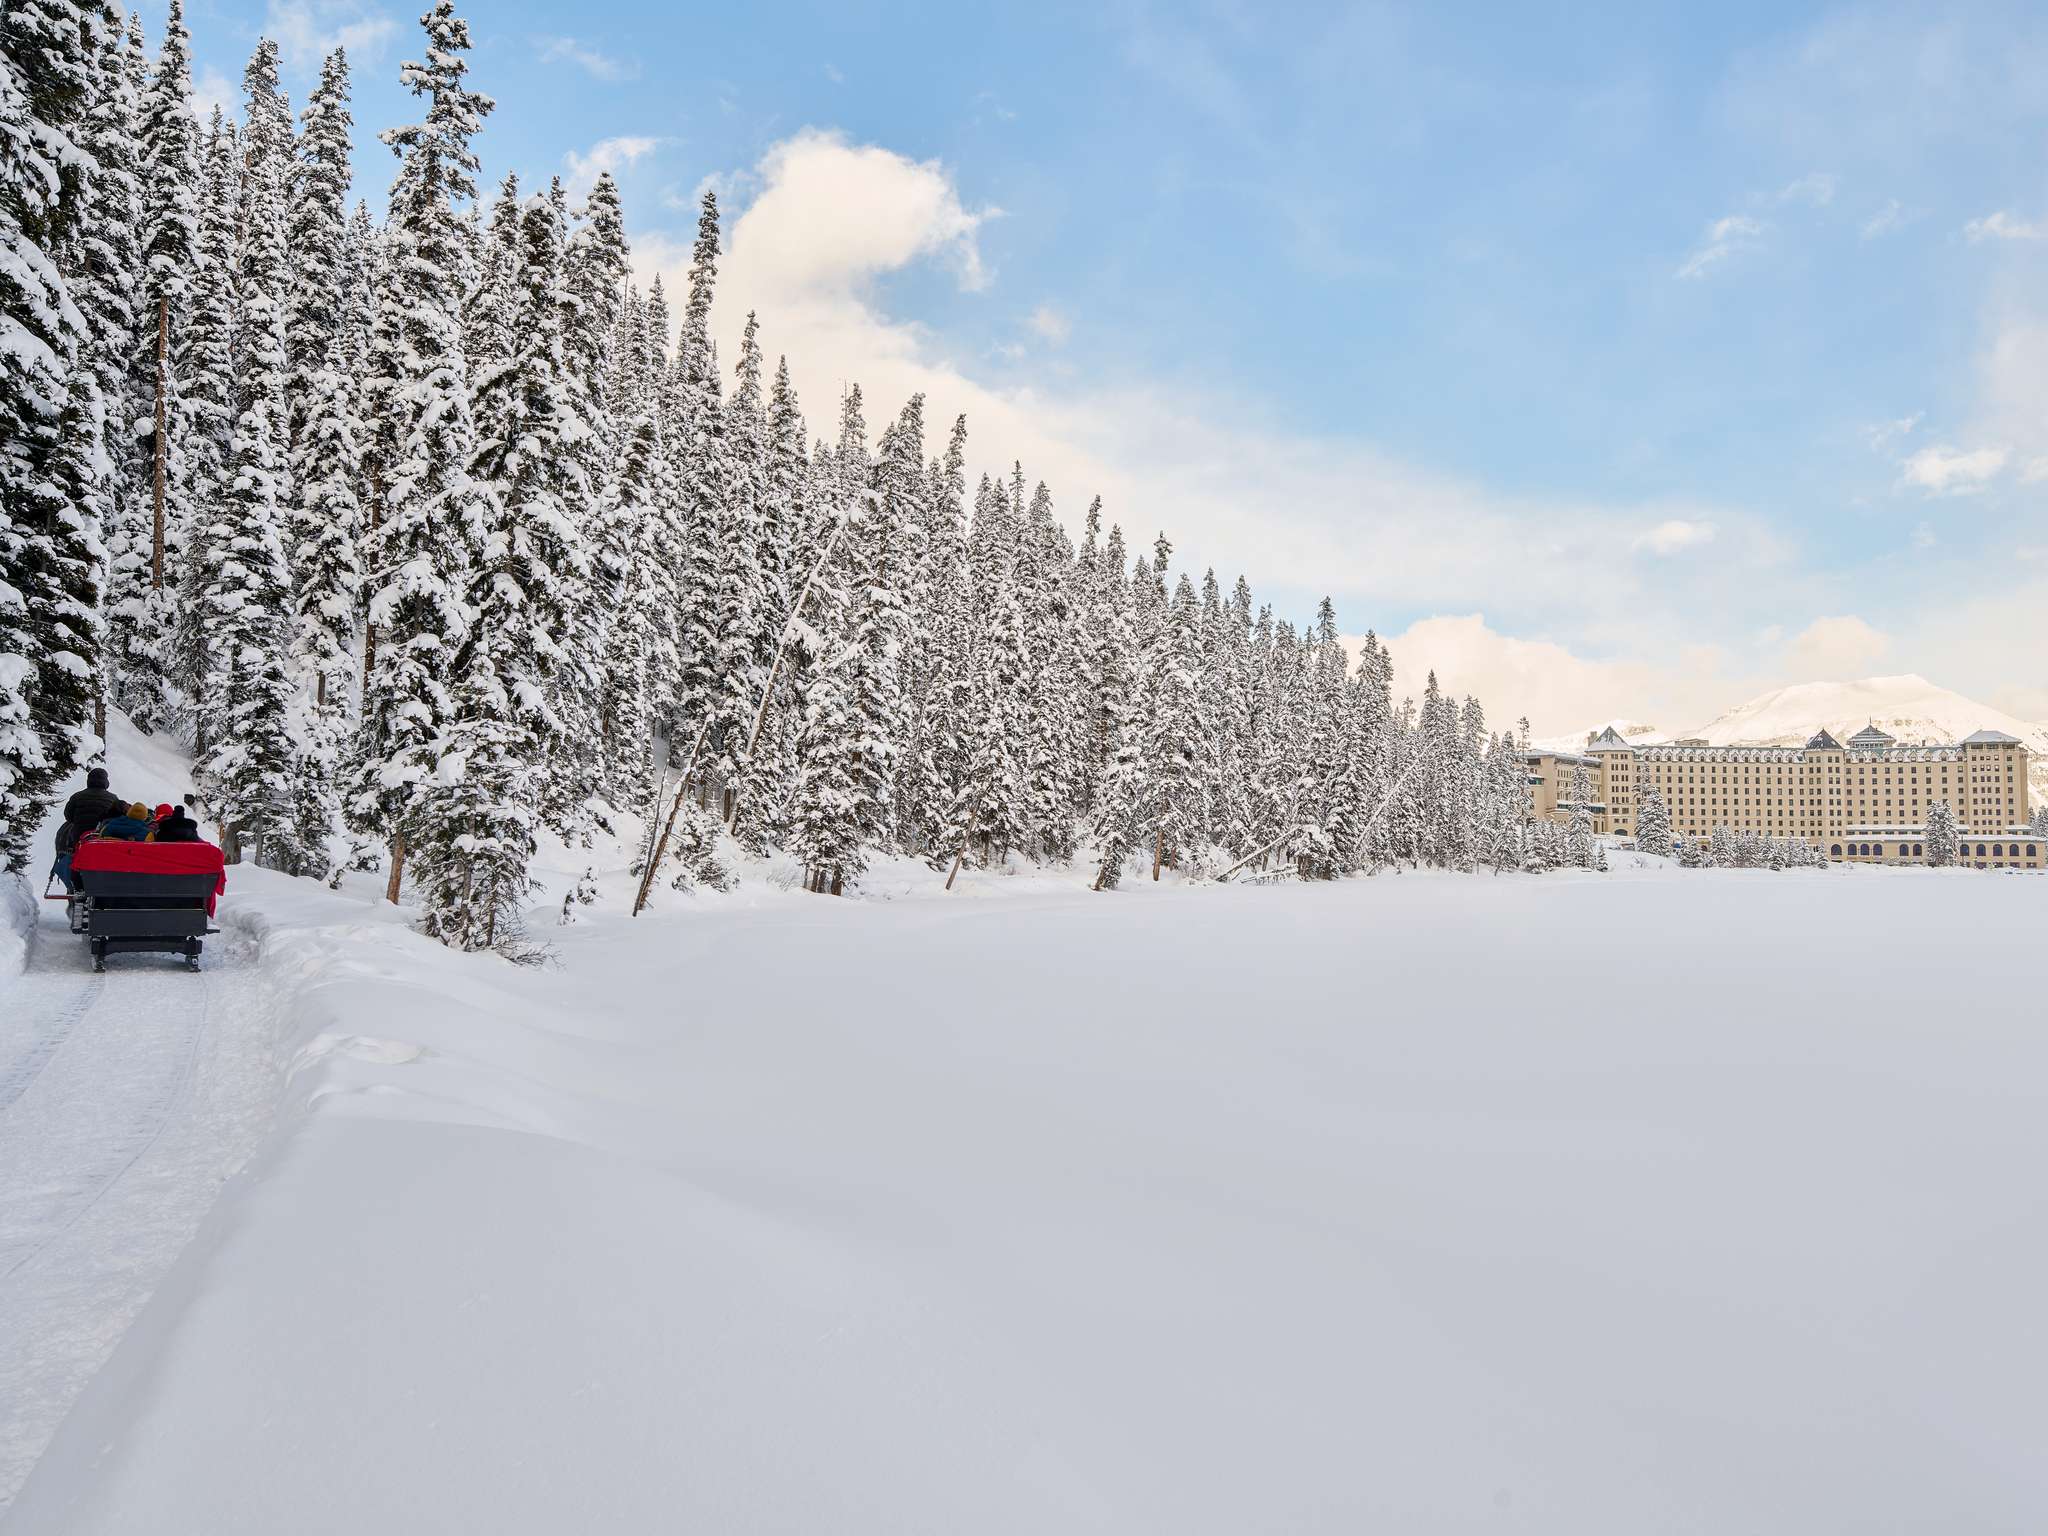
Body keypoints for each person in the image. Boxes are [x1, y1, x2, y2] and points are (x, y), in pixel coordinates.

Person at [53, 767, 124, 894]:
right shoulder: (112, 798)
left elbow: (68, 816)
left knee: (75, 854)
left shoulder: (77, 796)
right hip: (102, 837)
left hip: (80, 835)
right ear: (106, 782)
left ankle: (76, 885)